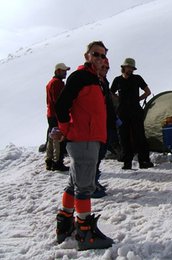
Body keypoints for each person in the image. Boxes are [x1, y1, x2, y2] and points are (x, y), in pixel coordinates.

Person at [54, 41, 113, 250]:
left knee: (74, 184)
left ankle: (65, 224)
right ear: (87, 55)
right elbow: (61, 105)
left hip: (88, 138)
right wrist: (66, 130)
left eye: (102, 55)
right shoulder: (80, 77)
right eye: (95, 54)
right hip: (83, 139)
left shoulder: (96, 80)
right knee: (85, 187)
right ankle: (85, 233)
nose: (99, 58)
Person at [110, 58, 154, 170]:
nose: (129, 69)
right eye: (128, 67)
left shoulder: (137, 78)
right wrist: (118, 99)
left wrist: (138, 99)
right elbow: (110, 92)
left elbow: (147, 91)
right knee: (123, 137)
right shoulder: (117, 80)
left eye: (131, 67)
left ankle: (144, 161)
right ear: (123, 67)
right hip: (122, 112)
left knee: (139, 136)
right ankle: (127, 162)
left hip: (135, 111)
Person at [92, 58, 120, 199]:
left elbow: (108, 103)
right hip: (98, 124)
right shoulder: (94, 81)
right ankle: (90, 185)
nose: (105, 69)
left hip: (107, 122)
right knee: (94, 155)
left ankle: (94, 181)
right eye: (103, 67)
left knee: (101, 153)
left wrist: (114, 118)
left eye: (107, 68)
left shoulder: (104, 82)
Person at [45, 63, 70, 171]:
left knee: (52, 137)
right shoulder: (57, 83)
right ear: (58, 71)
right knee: (58, 138)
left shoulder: (50, 83)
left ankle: (49, 160)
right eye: (64, 71)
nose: (65, 73)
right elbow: (59, 100)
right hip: (57, 114)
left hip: (51, 114)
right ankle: (58, 162)